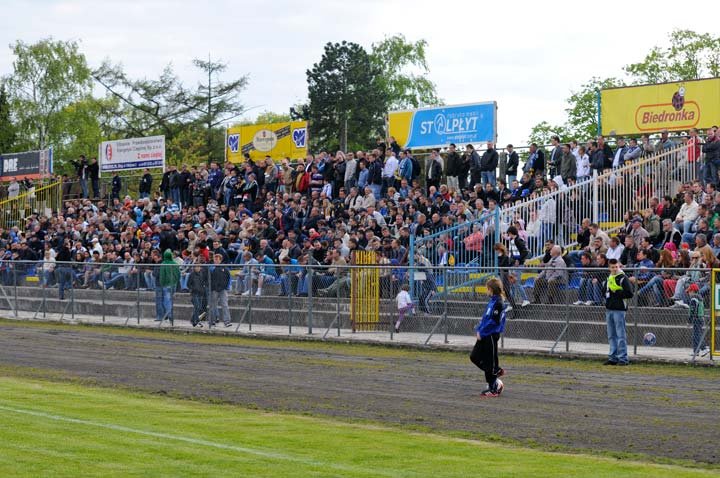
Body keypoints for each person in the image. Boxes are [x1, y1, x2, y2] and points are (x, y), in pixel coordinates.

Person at [469, 277, 507, 398]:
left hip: (490, 335)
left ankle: (494, 387)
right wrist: (479, 329)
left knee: (489, 361)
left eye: (487, 288)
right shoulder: (492, 301)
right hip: (484, 334)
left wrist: (483, 331)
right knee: (474, 357)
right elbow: (486, 318)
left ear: (491, 289)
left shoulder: (499, 303)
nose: (486, 290)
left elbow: (494, 322)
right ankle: (496, 371)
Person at [602, 259, 633, 366]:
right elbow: (604, 292)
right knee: (611, 335)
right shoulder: (608, 278)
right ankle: (613, 357)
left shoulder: (623, 278)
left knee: (620, 335)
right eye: (612, 267)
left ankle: (623, 358)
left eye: (616, 267)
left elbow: (629, 293)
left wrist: (617, 292)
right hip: (609, 309)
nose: (615, 269)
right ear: (609, 268)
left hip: (619, 309)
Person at [156, 249, 179, 323]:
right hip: (174, 284)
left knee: (167, 301)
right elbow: (178, 274)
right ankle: (170, 314)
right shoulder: (175, 263)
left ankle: (170, 315)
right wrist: (176, 281)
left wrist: (162, 283)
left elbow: (162, 275)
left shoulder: (163, 263)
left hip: (166, 285)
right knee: (170, 300)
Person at [209, 253, 232, 327]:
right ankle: (212, 320)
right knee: (213, 305)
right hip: (214, 289)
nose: (215, 260)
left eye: (217, 259)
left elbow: (229, 278)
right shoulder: (211, 268)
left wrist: (227, 287)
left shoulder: (225, 268)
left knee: (225, 305)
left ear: (220, 260)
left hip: (223, 290)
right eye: (214, 259)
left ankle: (227, 321)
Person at [687, 284, 709, 357]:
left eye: (689, 291)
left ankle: (704, 348)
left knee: (697, 336)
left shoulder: (693, 299)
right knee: (695, 335)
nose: (688, 293)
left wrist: (689, 321)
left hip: (696, 319)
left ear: (693, 291)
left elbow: (692, 311)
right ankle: (696, 351)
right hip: (700, 318)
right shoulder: (699, 298)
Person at [187, 261, 207, 327]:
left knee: (199, 307)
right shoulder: (191, 275)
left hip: (201, 293)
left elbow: (204, 282)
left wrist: (203, 289)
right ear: (194, 267)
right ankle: (196, 321)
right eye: (196, 266)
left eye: (199, 266)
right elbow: (188, 284)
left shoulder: (202, 274)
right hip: (194, 293)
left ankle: (193, 320)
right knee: (197, 307)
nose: (198, 268)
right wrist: (193, 289)